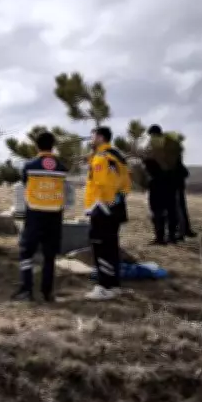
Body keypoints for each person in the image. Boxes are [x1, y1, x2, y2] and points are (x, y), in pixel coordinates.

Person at [12, 131, 68, 302]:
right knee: (49, 255)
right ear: (53, 146)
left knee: (26, 252)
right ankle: (47, 292)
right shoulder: (61, 167)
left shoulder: (29, 166)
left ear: (36, 146)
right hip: (55, 214)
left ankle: (27, 289)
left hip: (35, 213)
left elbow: (24, 183)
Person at [84, 126, 131, 301]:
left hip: (102, 209)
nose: (91, 140)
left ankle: (104, 286)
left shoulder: (101, 158)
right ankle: (114, 285)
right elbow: (126, 185)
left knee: (101, 248)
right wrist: (115, 201)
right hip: (116, 208)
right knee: (111, 247)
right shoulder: (118, 156)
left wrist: (100, 206)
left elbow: (102, 183)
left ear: (100, 137)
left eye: (92, 136)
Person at [143, 124, 179, 244]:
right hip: (171, 183)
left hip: (157, 184)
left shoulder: (153, 147)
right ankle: (172, 236)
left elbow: (148, 163)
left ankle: (160, 237)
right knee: (171, 210)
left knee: (157, 211)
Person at [175, 157, 197, 239]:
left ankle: (183, 231)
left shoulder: (176, 165)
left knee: (179, 211)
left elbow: (185, 173)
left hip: (177, 190)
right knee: (181, 211)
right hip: (178, 189)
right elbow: (186, 174)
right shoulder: (176, 165)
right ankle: (184, 231)